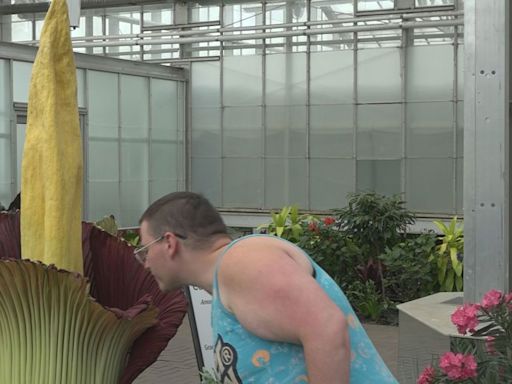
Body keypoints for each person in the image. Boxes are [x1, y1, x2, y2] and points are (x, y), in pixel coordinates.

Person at [137, 191, 398, 384]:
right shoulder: (227, 280)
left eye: (144, 250)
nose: (145, 263)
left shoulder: (244, 260)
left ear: (169, 242)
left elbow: (326, 327)